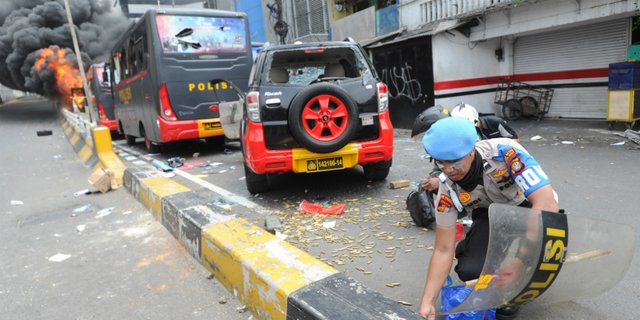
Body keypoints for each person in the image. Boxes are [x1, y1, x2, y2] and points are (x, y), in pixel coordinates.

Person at [417, 117, 559, 320]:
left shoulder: (506, 152)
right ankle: (497, 271)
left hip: (531, 208)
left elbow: (546, 205)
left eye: (455, 162)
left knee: (530, 264)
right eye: (441, 162)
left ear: (471, 151)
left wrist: (520, 260)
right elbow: (443, 249)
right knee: (471, 270)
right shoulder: (446, 191)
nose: (448, 170)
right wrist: (427, 301)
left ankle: (520, 281)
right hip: (491, 214)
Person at [421, 103, 520, 193]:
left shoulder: (495, 124)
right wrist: (435, 177)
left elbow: (514, 140)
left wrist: (496, 149)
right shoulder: (451, 147)